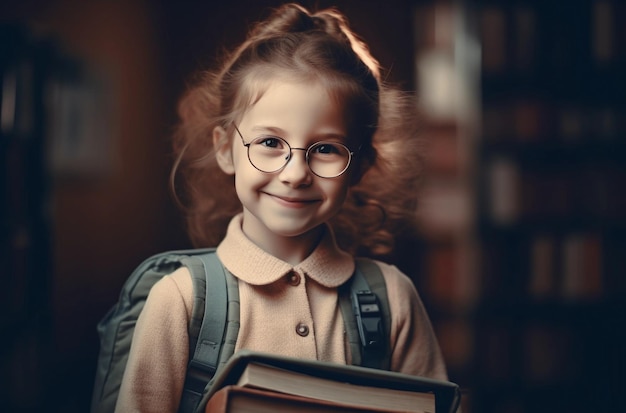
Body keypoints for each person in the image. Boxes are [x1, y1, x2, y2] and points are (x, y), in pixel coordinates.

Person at [115, 3, 448, 411]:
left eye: (326, 148)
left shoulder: (393, 298)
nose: (295, 174)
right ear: (225, 150)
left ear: (360, 165)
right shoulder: (180, 299)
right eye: (270, 143)